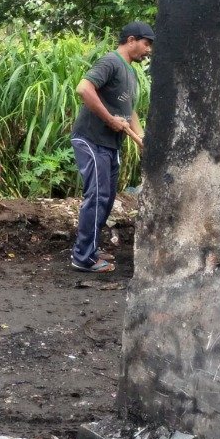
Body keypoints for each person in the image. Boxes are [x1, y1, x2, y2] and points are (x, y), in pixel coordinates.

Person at [70, 21, 154, 272]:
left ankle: (90, 248)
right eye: (146, 43)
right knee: (96, 197)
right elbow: (83, 88)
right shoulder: (111, 61)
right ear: (131, 40)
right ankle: (83, 258)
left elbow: (129, 111)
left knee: (105, 200)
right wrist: (108, 118)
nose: (148, 50)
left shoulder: (130, 71)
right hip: (91, 138)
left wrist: (141, 138)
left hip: (110, 144)